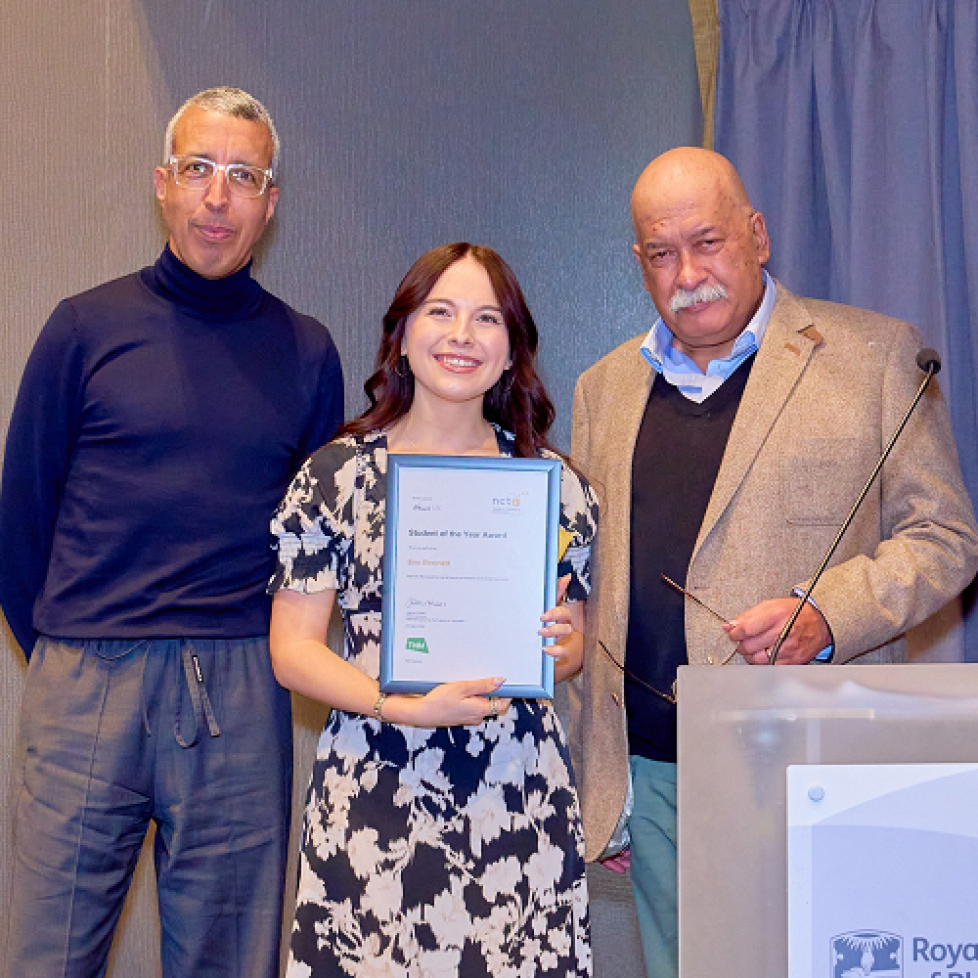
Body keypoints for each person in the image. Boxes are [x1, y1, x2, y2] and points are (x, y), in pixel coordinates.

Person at [568, 146, 978, 978]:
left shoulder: (875, 357)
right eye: (662, 252)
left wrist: (829, 613)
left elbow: (947, 538)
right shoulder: (600, 389)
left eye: (708, 241)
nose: (689, 272)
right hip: (658, 782)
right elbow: (593, 584)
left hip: (823, 766)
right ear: (638, 262)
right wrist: (602, 782)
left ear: (756, 235)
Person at [0, 87, 344, 978]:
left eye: (243, 175)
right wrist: (73, 657)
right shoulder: (84, 328)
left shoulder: (308, 353)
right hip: (85, 676)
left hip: (237, 687)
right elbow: (21, 513)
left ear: (271, 204)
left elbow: (315, 548)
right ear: (163, 185)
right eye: (198, 169)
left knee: (230, 961)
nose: (217, 196)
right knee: (46, 952)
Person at [268, 242, 598, 977]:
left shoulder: (553, 486)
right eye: (440, 312)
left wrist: (556, 645)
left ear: (512, 351)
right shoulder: (337, 477)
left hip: (517, 800)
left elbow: (573, 646)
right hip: (375, 790)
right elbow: (292, 651)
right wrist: (399, 705)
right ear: (403, 336)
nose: (461, 335)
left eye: (486, 319)